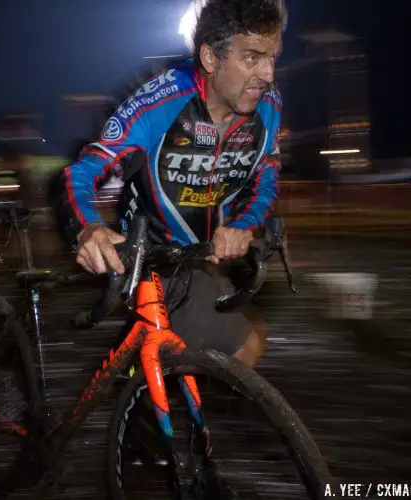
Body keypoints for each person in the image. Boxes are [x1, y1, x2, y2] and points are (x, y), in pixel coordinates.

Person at [54, 0, 285, 369]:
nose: (268, 74)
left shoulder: (269, 107)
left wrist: (243, 225)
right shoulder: (158, 104)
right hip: (152, 258)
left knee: (249, 342)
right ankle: (142, 404)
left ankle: (140, 400)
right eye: (252, 58)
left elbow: (266, 179)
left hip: (202, 258)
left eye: (273, 57)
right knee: (224, 349)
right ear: (211, 59)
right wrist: (88, 229)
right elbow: (80, 173)